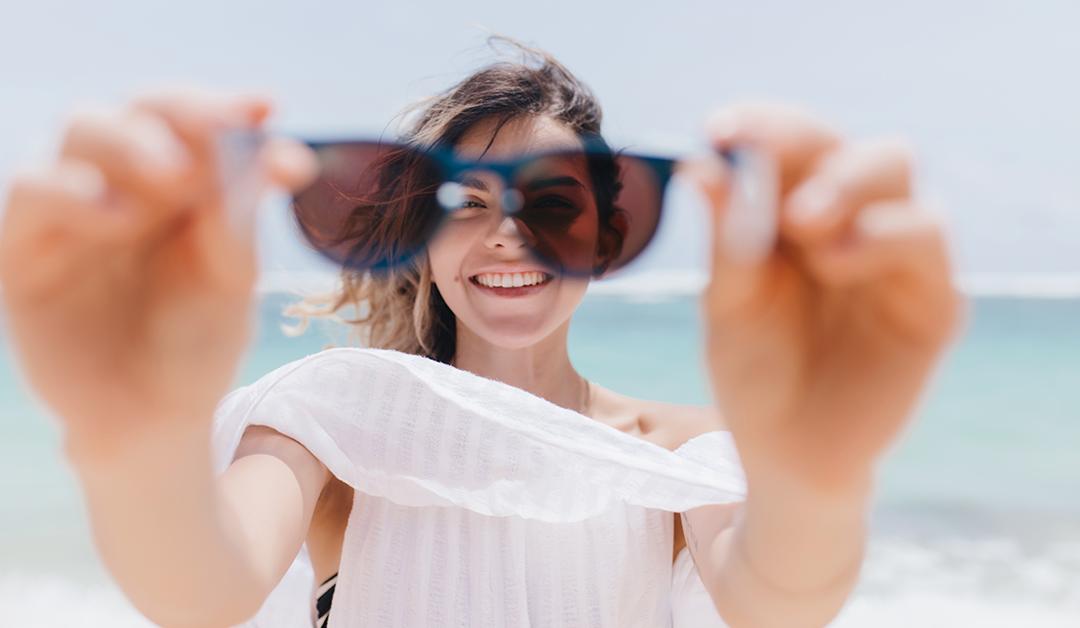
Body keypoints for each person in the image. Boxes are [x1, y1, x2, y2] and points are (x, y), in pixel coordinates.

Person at [0, 41, 960, 627]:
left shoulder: (671, 450)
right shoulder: (336, 419)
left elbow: (779, 600)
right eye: (466, 202)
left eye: (553, 203)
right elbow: (201, 589)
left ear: (605, 234)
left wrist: (822, 473)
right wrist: (128, 441)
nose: (510, 232)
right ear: (420, 232)